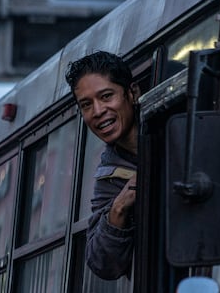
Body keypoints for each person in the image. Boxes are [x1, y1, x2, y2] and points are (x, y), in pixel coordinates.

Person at [65, 51, 140, 280]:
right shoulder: (109, 179)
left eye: (106, 96)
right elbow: (102, 264)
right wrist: (118, 208)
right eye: (86, 105)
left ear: (132, 93)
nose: (98, 112)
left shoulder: (173, 130)